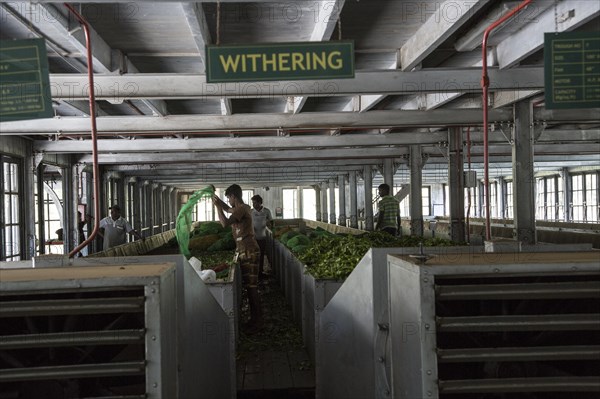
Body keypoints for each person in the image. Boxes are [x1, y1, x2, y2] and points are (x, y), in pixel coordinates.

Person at [213, 184, 263, 332]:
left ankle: (258, 321)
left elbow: (224, 223)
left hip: (249, 250)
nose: (228, 200)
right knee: (250, 286)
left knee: (252, 287)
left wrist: (217, 207)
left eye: (229, 197)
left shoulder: (242, 209)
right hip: (245, 250)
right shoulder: (241, 208)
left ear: (234, 196)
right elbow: (229, 209)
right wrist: (218, 201)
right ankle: (255, 319)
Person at [251, 194, 273, 280]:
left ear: (260, 202)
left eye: (255, 203)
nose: (253, 204)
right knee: (254, 256)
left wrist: (271, 227)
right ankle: (254, 273)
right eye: (253, 203)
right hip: (253, 238)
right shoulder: (251, 211)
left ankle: (260, 272)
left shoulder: (266, 211)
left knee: (261, 255)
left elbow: (271, 222)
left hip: (263, 237)